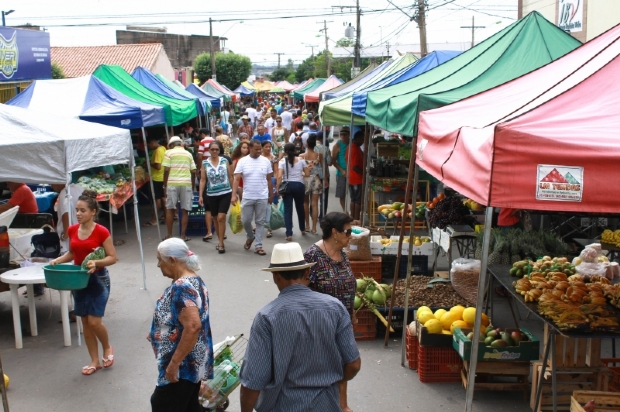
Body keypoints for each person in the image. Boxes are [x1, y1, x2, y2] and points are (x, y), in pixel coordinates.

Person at [239, 242, 361, 412]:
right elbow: (353, 365)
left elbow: (253, 379)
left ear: (275, 276)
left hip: (282, 406)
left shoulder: (267, 316)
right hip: (327, 404)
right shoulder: (335, 308)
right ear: (307, 272)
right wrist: (336, 380)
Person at [49, 190, 118, 376]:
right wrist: (58, 260)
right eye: (77, 210)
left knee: (95, 322)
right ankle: (94, 361)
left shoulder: (101, 232)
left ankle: (107, 348)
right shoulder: (72, 230)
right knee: (85, 322)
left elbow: (113, 257)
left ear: (93, 212)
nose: (78, 214)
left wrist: (96, 262)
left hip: (98, 279)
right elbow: (72, 254)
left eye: (82, 210)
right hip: (78, 279)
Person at [149, 238, 213, 412]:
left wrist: (173, 365)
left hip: (183, 367)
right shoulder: (194, 279)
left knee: (162, 404)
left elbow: (193, 326)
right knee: (189, 406)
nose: (158, 265)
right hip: (192, 364)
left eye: (159, 259)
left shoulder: (182, 286)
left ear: (172, 260)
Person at [303, 212, 357, 412]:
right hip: (320, 323)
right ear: (335, 232)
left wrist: (352, 313)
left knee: (345, 362)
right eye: (348, 231)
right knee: (324, 367)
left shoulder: (342, 254)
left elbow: (348, 285)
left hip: (343, 321)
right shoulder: (312, 256)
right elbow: (300, 289)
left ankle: (342, 404)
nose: (350, 235)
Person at [231, 139, 273, 256]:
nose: (259, 151)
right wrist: (233, 195)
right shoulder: (242, 161)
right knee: (246, 220)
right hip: (248, 196)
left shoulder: (265, 161)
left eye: (260, 149)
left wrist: (271, 194)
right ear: (250, 148)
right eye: (256, 149)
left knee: (260, 222)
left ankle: (258, 245)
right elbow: (237, 179)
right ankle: (250, 236)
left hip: (262, 196)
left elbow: (269, 179)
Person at [199, 141, 233, 253]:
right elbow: (203, 180)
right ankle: (220, 240)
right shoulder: (205, 163)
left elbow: (230, 177)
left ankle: (221, 244)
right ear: (209, 150)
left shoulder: (225, 161)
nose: (214, 151)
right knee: (215, 219)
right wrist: (200, 195)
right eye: (212, 149)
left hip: (225, 192)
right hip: (211, 194)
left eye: (216, 149)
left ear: (219, 151)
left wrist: (234, 194)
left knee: (221, 217)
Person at [162, 136, 197, 241]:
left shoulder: (168, 153)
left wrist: (165, 185)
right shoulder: (188, 153)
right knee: (185, 210)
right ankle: (183, 235)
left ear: (172, 145)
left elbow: (166, 169)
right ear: (180, 144)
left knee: (170, 209)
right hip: (186, 183)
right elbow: (194, 171)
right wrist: (192, 184)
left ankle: (169, 235)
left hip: (172, 183)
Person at [277, 143, 310, 241]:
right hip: (299, 185)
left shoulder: (282, 161)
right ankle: (302, 229)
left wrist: (278, 188)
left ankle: (289, 234)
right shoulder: (301, 160)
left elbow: (279, 177)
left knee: (288, 210)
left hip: (287, 186)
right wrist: (301, 174)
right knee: (300, 207)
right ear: (295, 150)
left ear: (285, 151)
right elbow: (307, 173)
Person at [300, 134, 323, 234]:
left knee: (305, 203)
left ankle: (307, 226)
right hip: (316, 179)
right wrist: (324, 179)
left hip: (305, 179)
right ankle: (314, 228)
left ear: (306, 144)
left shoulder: (302, 156)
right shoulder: (318, 156)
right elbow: (321, 169)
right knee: (314, 205)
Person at [51, 183, 84, 252]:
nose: (51, 186)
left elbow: (66, 213)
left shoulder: (64, 193)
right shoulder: (79, 188)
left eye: (52, 183)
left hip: (70, 241)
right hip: (82, 234)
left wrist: (64, 236)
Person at [145, 136, 167, 226]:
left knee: (157, 199)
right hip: (163, 177)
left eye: (149, 145)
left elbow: (158, 166)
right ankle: (166, 217)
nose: (149, 148)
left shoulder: (157, 151)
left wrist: (149, 163)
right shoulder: (163, 148)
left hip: (157, 178)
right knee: (163, 198)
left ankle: (154, 219)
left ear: (152, 143)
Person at [261, 140, 279, 239]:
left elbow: (276, 172)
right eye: (266, 147)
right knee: (260, 204)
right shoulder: (259, 158)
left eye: (269, 147)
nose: (268, 148)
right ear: (262, 147)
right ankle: (259, 224)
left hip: (271, 182)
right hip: (260, 182)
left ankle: (269, 228)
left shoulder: (274, 158)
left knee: (270, 204)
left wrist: (275, 183)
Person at [346, 131, 364, 220]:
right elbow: (355, 167)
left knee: (353, 199)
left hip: (351, 178)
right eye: (362, 139)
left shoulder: (350, 147)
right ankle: (356, 219)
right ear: (358, 139)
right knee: (357, 200)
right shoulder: (355, 149)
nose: (363, 141)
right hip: (356, 179)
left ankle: (352, 218)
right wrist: (364, 172)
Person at [332, 127, 350, 212]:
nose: (343, 136)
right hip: (341, 173)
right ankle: (345, 211)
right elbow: (333, 161)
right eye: (341, 134)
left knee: (353, 194)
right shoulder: (337, 145)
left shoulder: (351, 143)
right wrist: (342, 171)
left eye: (345, 134)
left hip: (352, 172)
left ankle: (351, 211)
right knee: (342, 194)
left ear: (348, 135)